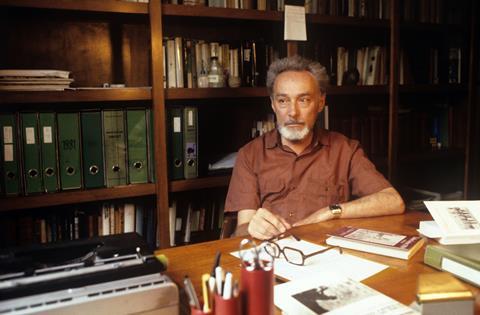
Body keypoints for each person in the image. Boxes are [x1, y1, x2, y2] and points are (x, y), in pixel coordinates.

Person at [224, 55, 405, 240]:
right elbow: (241, 230)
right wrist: (253, 228)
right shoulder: (250, 155)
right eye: (283, 101)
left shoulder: (345, 150)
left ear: (320, 103)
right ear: (273, 104)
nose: (292, 112)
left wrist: (331, 211)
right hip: (274, 256)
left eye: (303, 100)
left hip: (328, 255)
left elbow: (393, 201)